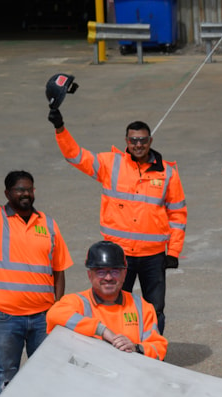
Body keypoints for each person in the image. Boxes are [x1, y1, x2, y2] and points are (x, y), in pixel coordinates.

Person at [0, 129, 73, 396]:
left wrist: (54, 307)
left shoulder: (49, 224)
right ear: (7, 193)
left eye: (30, 189)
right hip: (6, 318)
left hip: (42, 318)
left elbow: (59, 269)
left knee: (47, 373)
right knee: (8, 375)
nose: (26, 194)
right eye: (20, 190)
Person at [49, 109, 186, 332]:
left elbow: (178, 215)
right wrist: (60, 128)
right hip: (119, 256)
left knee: (155, 308)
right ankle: (119, 349)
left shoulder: (168, 173)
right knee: (115, 306)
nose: (138, 145)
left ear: (150, 141)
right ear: (126, 141)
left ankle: (153, 353)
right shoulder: (110, 164)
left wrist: (173, 252)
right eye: (133, 140)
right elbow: (75, 155)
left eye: (142, 140)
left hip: (153, 256)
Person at [46, 241, 167, 360]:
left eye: (115, 271)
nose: (108, 277)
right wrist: (101, 330)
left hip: (131, 376)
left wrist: (137, 348)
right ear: (90, 275)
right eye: (101, 272)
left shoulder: (141, 306)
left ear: (124, 274)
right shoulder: (77, 302)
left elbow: (158, 347)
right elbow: (53, 315)